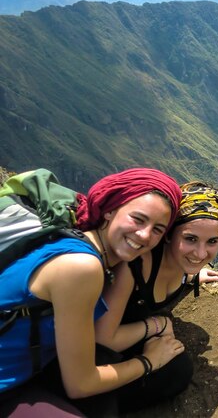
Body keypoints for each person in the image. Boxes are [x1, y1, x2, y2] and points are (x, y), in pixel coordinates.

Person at [0, 168, 184, 417]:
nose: (144, 235)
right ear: (110, 210)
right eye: (138, 219)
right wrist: (150, 361)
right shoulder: (82, 268)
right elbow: (81, 384)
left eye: (158, 229)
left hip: (23, 374)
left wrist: (188, 272)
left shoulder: (80, 239)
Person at [94, 181, 218, 410]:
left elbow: (181, 269)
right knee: (177, 371)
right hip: (93, 358)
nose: (200, 253)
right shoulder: (135, 265)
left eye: (212, 241)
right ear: (168, 234)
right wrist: (157, 324)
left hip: (125, 344)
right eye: (190, 239)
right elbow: (102, 339)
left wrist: (191, 276)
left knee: (177, 369)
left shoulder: (181, 264)